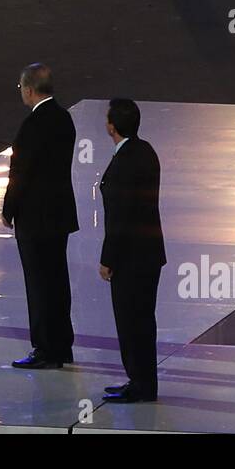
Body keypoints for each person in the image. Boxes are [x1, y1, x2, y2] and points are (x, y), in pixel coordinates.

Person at [2, 64, 78, 370]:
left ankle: (45, 348)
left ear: (29, 89)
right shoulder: (64, 118)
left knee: (38, 284)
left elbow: (22, 171)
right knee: (57, 281)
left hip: (35, 217)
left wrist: (9, 208)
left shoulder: (33, 125)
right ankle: (61, 345)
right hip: (59, 214)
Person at [98, 98, 166, 403]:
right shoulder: (146, 151)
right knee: (142, 320)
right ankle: (141, 381)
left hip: (130, 257)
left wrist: (107, 259)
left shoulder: (124, 162)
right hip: (149, 253)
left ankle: (140, 383)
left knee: (131, 321)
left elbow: (119, 217)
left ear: (112, 126)